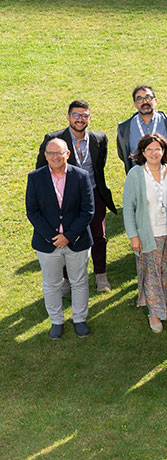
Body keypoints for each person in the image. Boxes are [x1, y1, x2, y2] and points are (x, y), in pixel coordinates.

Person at [37, 101, 117, 292]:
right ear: (68, 116)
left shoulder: (100, 138)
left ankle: (100, 276)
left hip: (94, 193)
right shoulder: (54, 139)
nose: (80, 119)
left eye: (84, 115)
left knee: (99, 235)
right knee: (67, 236)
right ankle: (68, 280)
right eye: (76, 115)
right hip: (65, 198)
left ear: (90, 117)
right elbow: (41, 169)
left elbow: (100, 167)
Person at [27, 138, 94, 339]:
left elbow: (88, 210)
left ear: (68, 154)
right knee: (51, 284)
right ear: (45, 155)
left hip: (77, 241)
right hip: (47, 243)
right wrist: (53, 237)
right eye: (51, 153)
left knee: (79, 281)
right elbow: (32, 211)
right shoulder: (35, 178)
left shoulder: (81, 176)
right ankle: (56, 321)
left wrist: (69, 236)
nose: (55, 157)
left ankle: (79, 319)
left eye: (60, 153)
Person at [122, 133, 167, 333]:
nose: (153, 153)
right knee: (151, 274)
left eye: (157, 148)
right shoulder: (136, 174)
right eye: (148, 149)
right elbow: (128, 208)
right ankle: (154, 313)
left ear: (164, 151)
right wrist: (133, 235)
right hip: (148, 234)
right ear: (142, 152)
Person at [117, 86, 167, 172]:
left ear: (155, 100)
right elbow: (122, 154)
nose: (144, 101)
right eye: (139, 99)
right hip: (139, 179)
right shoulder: (124, 129)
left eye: (148, 97)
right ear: (135, 104)